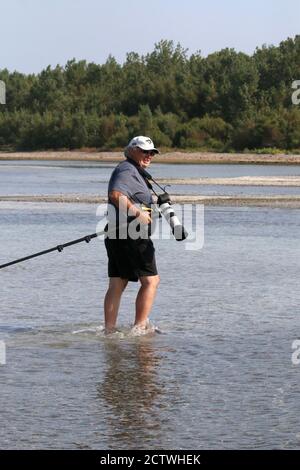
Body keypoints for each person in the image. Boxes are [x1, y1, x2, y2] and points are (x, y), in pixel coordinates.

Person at [104, 136, 160, 334]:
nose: (149, 156)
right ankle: (140, 327)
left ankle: (109, 330)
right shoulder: (127, 170)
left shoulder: (133, 170)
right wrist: (138, 213)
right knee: (151, 280)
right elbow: (116, 195)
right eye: (145, 151)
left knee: (118, 282)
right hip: (131, 234)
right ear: (132, 150)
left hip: (116, 233)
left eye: (152, 152)